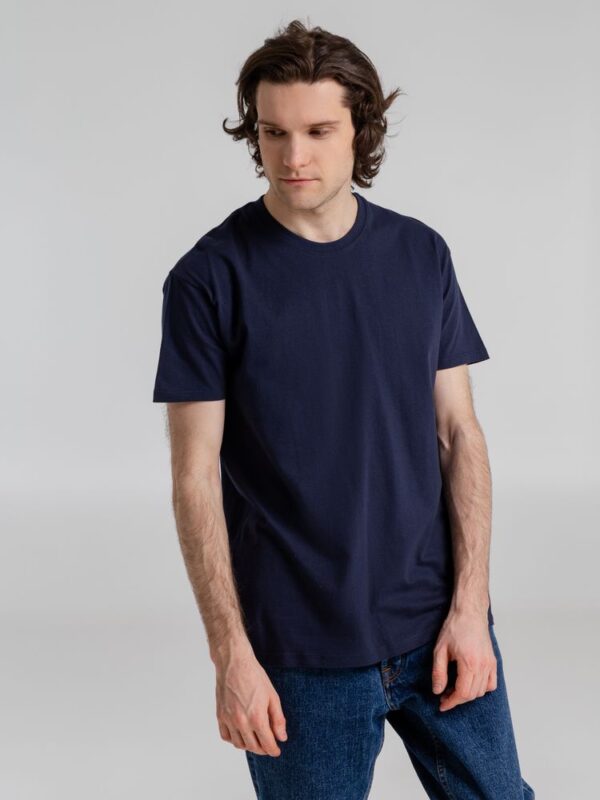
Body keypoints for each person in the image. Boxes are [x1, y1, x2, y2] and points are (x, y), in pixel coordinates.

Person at [152, 18, 535, 800]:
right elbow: (194, 477)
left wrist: (471, 609)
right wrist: (231, 656)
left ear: (360, 128)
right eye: (274, 132)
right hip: (300, 652)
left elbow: (459, 434)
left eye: (318, 131)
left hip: (437, 624)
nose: (293, 156)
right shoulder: (207, 280)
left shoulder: (420, 255)